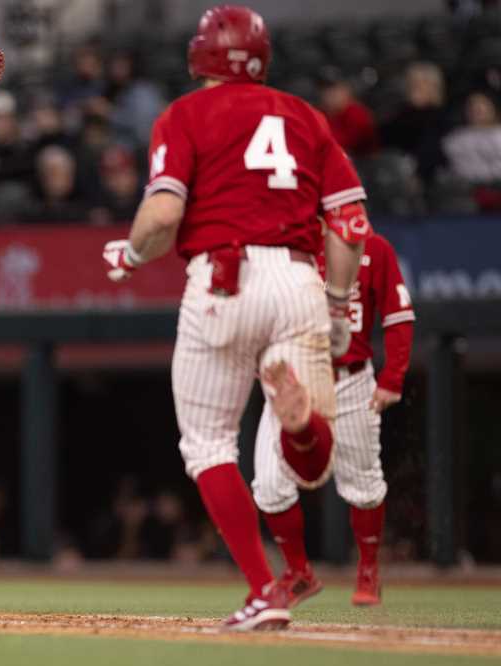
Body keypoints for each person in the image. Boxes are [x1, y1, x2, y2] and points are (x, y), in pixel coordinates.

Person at [101, 5, 370, 631]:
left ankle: (262, 589)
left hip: (225, 279)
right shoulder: (306, 115)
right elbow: (351, 227)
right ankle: (298, 427)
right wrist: (336, 304)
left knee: (209, 444)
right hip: (300, 279)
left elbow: (163, 216)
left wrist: (131, 252)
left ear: (201, 55)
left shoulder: (185, 114)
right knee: (312, 462)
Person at [252, 229, 414, 607]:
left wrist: (393, 377)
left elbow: (398, 314)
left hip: (350, 379)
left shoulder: (374, 246)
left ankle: (369, 568)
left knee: (364, 485)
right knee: (269, 487)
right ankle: (299, 572)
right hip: (294, 383)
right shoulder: (280, 248)